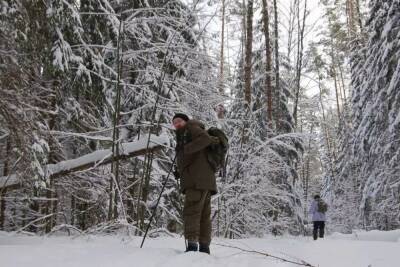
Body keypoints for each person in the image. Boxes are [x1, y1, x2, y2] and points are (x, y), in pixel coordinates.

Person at [172, 113, 218, 254]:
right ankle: (204, 248)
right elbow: (195, 158)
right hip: (205, 182)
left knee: (191, 212)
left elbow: (205, 139)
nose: (177, 124)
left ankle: (192, 247)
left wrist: (185, 149)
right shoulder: (187, 134)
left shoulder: (191, 127)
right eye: (174, 123)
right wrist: (180, 172)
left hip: (196, 182)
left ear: (185, 121)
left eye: (179, 121)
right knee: (204, 215)